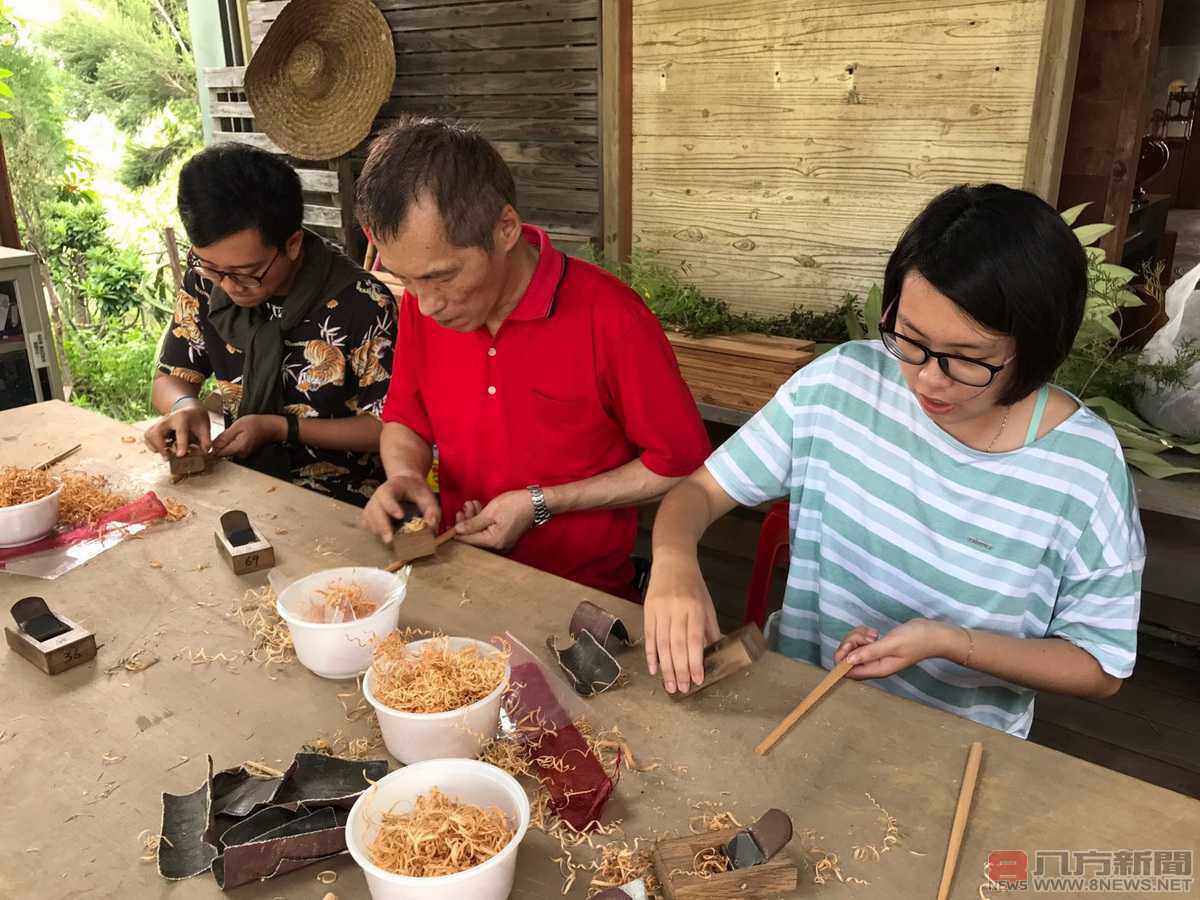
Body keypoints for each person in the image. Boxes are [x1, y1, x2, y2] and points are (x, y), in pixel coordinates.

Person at [644, 183, 1145, 737]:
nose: (928, 378)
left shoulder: (1083, 466)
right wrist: (673, 561)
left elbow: (1100, 665)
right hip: (796, 706)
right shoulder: (842, 385)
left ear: (1037, 348)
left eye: (968, 359)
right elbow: (699, 493)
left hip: (956, 748)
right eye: (909, 338)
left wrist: (952, 643)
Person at [355, 116, 711, 599]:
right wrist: (404, 476)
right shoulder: (425, 307)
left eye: (441, 276)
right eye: (405, 278)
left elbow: (680, 463)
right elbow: (405, 421)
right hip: (458, 570)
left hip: (579, 593)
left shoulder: (610, 318)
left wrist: (543, 504)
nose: (425, 303)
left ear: (504, 229)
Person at [145, 142, 397, 506]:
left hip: (341, 499)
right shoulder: (205, 282)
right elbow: (170, 377)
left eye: (247, 273)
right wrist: (184, 406)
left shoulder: (360, 302)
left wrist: (280, 428)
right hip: (240, 479)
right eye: (212, 268)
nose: (229, 287)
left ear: (292, 244)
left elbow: (386, 427)